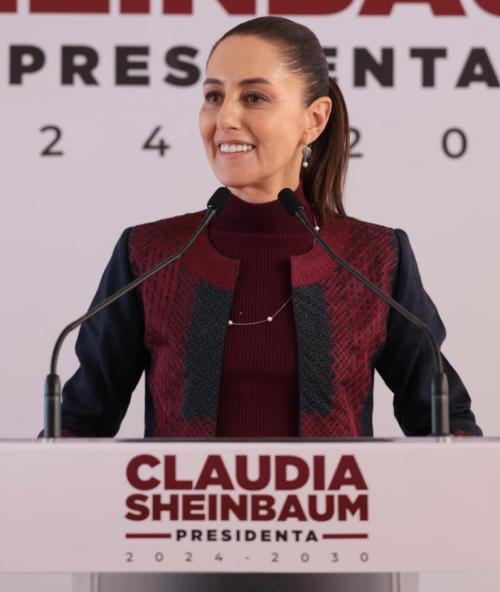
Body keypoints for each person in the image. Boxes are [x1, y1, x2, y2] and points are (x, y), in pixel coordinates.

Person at [59, 16, 481, 438]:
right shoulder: (148, 254)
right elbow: (80, 422)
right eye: (213, 96)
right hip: (186, 507)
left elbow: (445, 423)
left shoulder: (376, 258)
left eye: (254, 97)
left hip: (332, 506)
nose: (224, 118)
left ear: (314, 120)